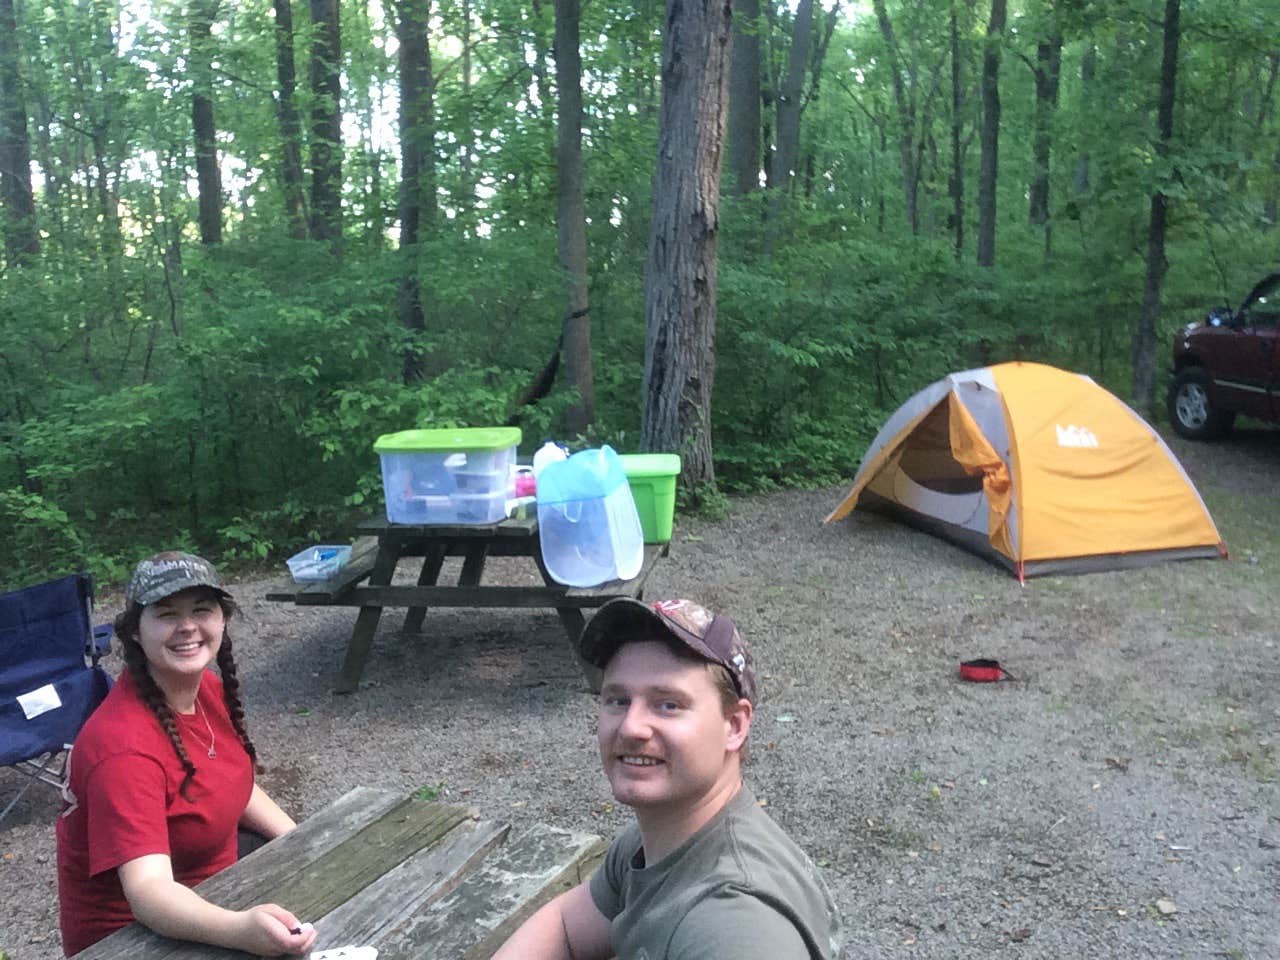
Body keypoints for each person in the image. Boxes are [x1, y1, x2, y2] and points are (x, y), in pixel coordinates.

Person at [493, 597, 841, 960]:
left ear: (734, 725)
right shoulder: (657, 839)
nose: (631, 727)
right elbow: (565, 927)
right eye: (618, 700)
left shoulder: (733, 924)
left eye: (668, 704)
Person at [56, 552, 318, 957]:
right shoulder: (122, 748)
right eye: (166, 614)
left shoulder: (208, 691)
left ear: (222, 619)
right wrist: (241, 929)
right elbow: (148, 891)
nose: (188, 626)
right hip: (135, 938)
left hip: (216, 888)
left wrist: (305, 841)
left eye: (202, 609)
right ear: (136, 632)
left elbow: (232, 786)